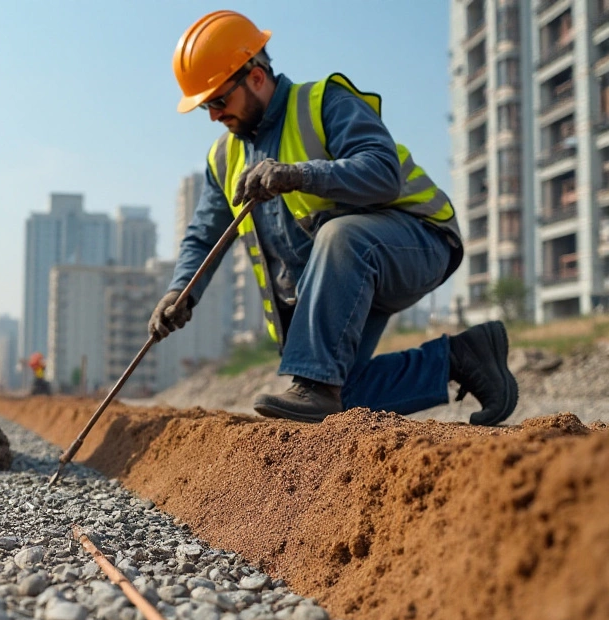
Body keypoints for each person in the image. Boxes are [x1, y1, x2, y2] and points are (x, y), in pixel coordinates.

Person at [151, 10, 517, 425]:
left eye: (219, 100)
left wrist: (299, 174)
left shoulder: (323, 102)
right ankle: (462, 358)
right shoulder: (224, 157)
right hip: (347, 278)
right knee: (341, 392)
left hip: (417, 241)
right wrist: (181, 291)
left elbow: (383, 174)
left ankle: (316, 385)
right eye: (206, 108)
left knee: (339, 237)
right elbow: (203, 235)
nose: (215, 115)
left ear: (255, 77)